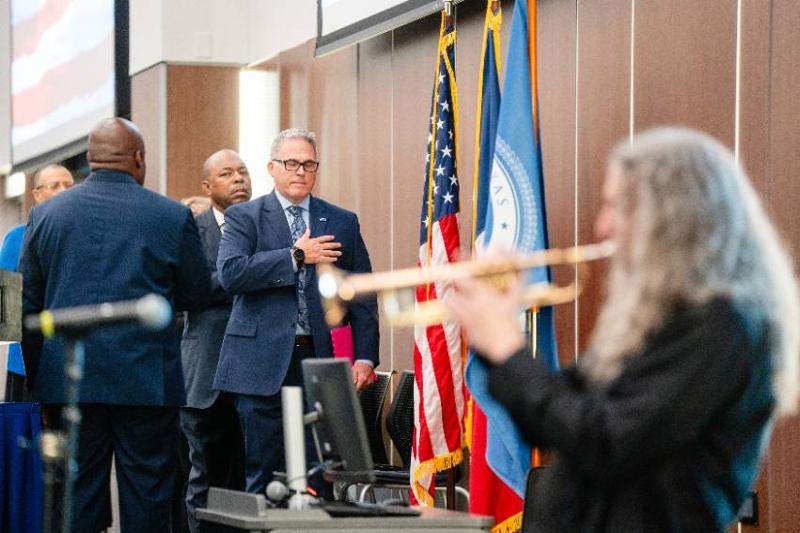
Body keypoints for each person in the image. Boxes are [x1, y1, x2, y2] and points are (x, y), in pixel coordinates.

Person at [446, 127, 799, 532]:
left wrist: (509, 349)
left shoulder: (724, 325)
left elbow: (603, 442)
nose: (602, 226)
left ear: (669, 217)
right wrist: (500, 336)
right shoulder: (658, 318)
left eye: (617, 208)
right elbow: (553, 420)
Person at [20, 117, 210, 532]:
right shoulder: (171, 216)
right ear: (138, 159)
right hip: (146, 381)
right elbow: (197, 293)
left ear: (90, 159)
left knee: (76, 495)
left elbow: (28, 307)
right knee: (149, 494)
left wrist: (40, 382)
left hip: (69, 380)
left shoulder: (46, 216)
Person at [216, 127, 379, 494]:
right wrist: (296, 256)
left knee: (319, 474)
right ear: (272, 167)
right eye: (291, 163)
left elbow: (362, 294)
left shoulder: (341, 221)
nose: (300, 171)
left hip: (318, 359)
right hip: (259, 364)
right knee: (264, 474)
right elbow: (231, 274)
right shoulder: (245, 217)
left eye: (309, 164)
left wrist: (366, 356)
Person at [180, 149, 250, 531]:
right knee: (204, 477)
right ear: (207, 187)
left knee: (251, 480)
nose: (238, 179)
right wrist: (248, 273)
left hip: (257, 372)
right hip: (205, 371)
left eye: (243, 171)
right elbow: (193, 289)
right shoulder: (190, 228)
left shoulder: (267, 225)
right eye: (227, 174)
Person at [0, 164, 74, 272]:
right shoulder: (19, 237)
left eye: (69, 186)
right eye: (54, 186)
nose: (63, 190)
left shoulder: (85, 233)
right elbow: (6, 285)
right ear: (37, 195)